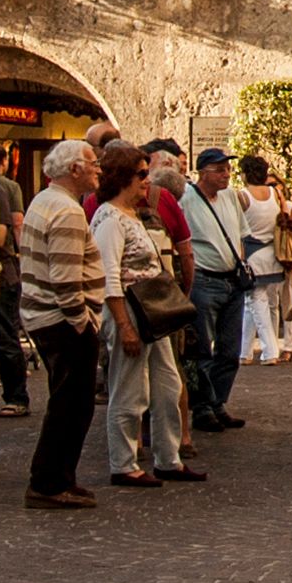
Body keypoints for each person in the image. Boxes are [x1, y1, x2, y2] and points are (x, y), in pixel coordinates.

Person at [95, 151, 200, 487]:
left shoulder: (132, 214)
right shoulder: (110, 218)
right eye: (141, 173)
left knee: (168, 385)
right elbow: (109, 276)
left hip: (152, 312)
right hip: (131, 310)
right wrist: (123, 325)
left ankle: (169, 459)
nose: (146, 181)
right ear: (123, 177)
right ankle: (123, 463)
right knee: (129, 389)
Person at [13, 139, 104, 508]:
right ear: (75, 170)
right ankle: (49, 482)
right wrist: (81, 320)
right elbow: (65, 277)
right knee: (71, 404)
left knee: (68, 401)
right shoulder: (66, 211)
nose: (98, 169)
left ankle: (60, 476)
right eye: (93, 163)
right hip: (61, 320)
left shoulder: (44, 200)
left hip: (45, 315)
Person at [174, 145, 262, 435]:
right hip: (203, 279)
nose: (226, 175)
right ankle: (203, 406)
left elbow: (239, 236)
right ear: (203, 172)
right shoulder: (186, 198)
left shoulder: (230, 197)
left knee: (229, 349)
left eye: (227, 169)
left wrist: (240, 266)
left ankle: (218, 402)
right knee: (201, 347)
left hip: (231, 280)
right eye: (219, 170)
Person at [0, 142, 33, 422]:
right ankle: (16, 397)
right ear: (5, 162)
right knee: (7, 332)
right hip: (5, 266)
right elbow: (18, 224)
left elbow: (11, 225)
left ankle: (14, 396)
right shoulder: (9, 186)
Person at [248, 152, 292, 367]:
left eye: (274, 186)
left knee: (288, 300)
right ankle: (270, 346)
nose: (270, 189)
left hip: (286, 256)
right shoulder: (267, 203)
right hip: (270, 256)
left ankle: (288, 346)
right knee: (270, 303)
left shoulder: (288, 206)